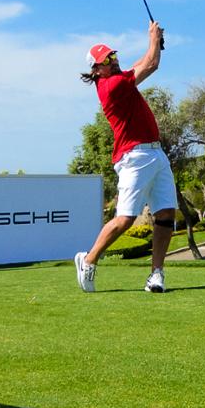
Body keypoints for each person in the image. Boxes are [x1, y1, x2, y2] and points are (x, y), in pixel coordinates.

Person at [73, 21, 175, 293]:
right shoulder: (111, 86)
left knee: (166, 214)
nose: (114, 61)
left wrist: (155, 45)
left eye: (114, 55)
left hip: (156, 153)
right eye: (107, 60)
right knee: (125, 219)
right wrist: (153, 38)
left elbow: (143, 62)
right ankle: (89, 259)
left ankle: (156, 275)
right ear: (97, 70)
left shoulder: (118, 78)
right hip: (134, 156)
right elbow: (151, 64)